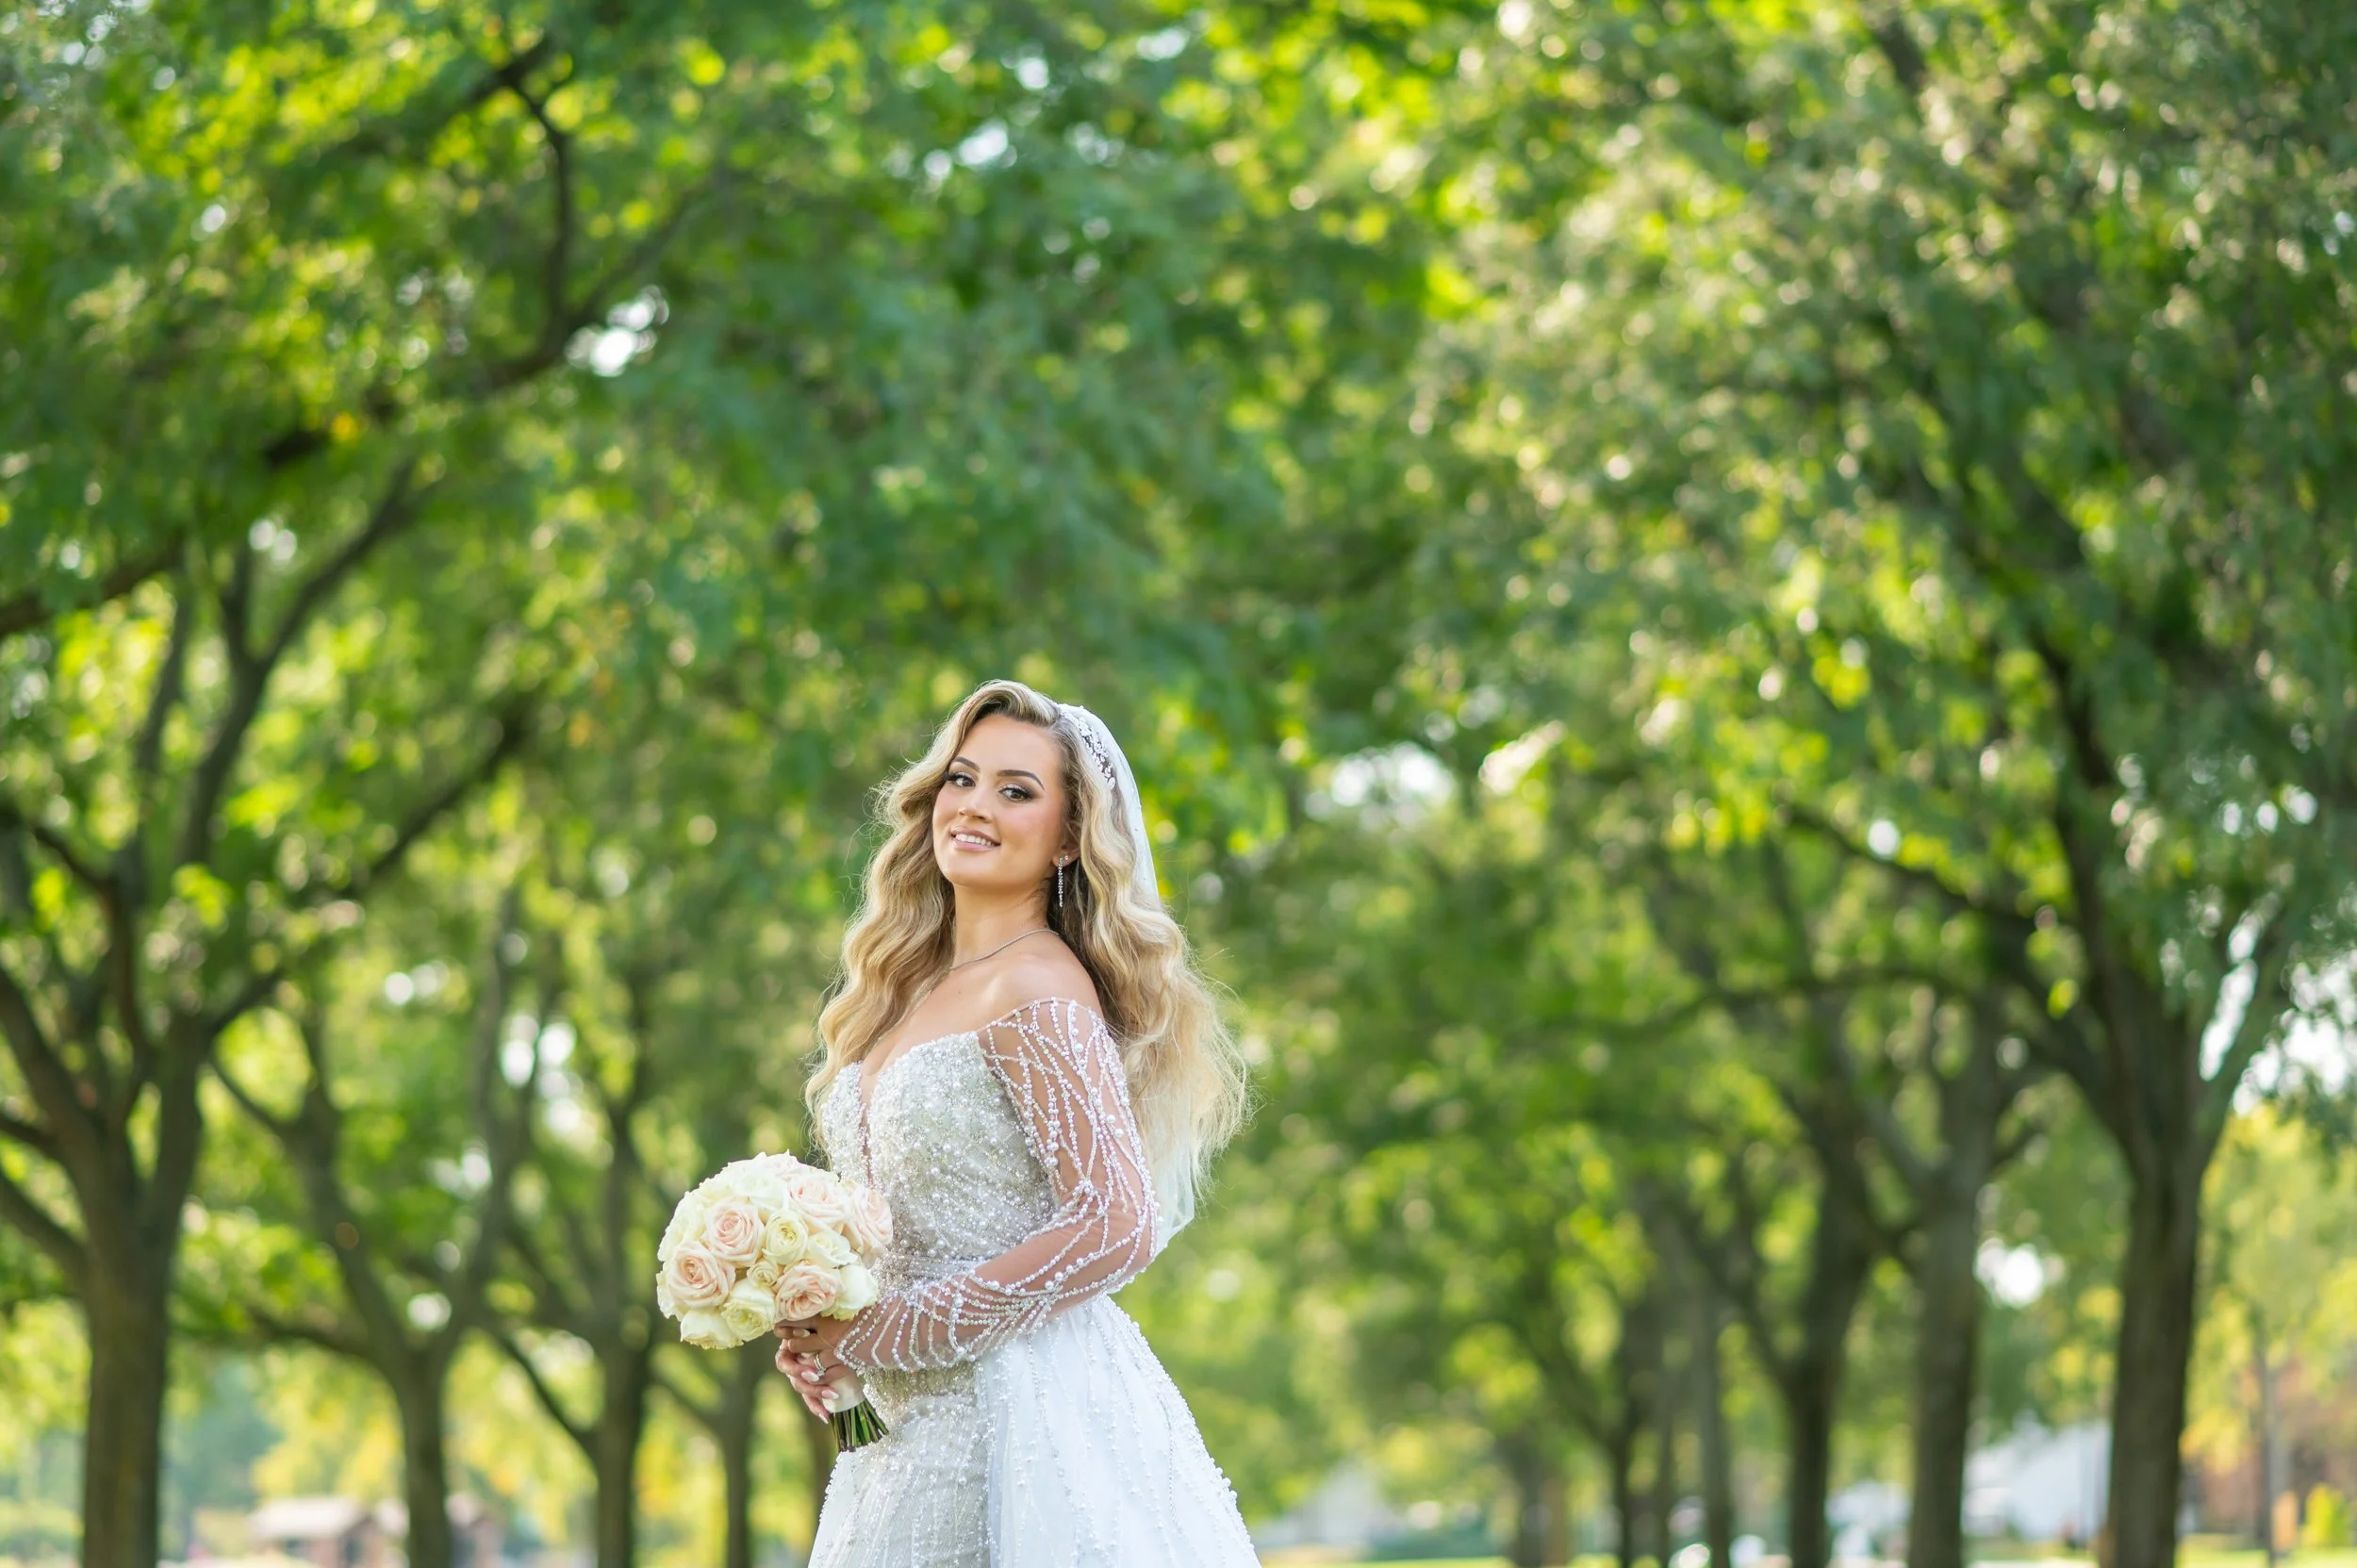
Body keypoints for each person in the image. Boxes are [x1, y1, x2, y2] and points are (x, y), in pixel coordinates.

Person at [776, 679, 1259, 1567]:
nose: (974, 806)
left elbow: (1115, 1221)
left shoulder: (1035, 984)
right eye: (962, 779)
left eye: (1016, 791)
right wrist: (839, 1349)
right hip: (902, 1437)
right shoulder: (903, 993)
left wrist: (881, 1332)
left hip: (1023, 1419)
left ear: (1070, 837)